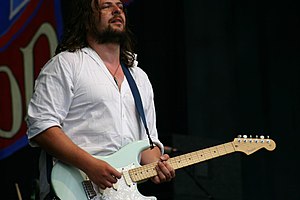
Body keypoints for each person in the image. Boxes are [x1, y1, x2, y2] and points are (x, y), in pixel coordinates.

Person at [26, 0, 175, 199]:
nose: (116, 10)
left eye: (120, 7)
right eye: (106, 6)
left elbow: (146, 145)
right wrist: (90, 165)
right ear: (87, 19)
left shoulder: (139, 78)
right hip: (74, 190)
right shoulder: (66, 64)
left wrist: (158, 165)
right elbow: (41, 128)